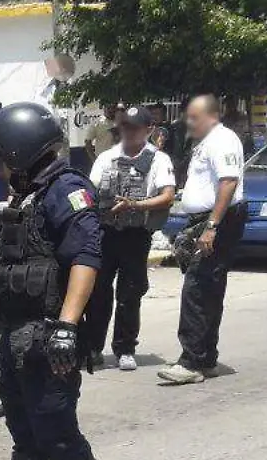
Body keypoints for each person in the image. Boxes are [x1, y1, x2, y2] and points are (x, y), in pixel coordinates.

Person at [0, 102, 126, 460]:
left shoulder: (67, 190)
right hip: (17, 334)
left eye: (1, 156)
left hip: (48, 333)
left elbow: (86, 259)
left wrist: (68, 327)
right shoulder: (27, 194)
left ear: (20, 149)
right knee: (26, 430)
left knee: (55, 429)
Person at [158, 95, 246, 385]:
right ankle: (205, 355)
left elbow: (228, 182)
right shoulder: (206, 142)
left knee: (197, 286)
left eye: (193, 117)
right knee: (207, 287)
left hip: (218, 219)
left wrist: (211, 226)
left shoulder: (223, 140)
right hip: (206, 218)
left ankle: (192, 361)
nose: (188, 123)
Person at [86, 106, 176, 371]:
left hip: (136, 234)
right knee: (98, 292)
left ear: (149, 130)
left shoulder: (159, 160)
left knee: (130, 293)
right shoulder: (106, 157)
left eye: (135, 128)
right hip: (106, 233)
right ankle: (92, 348)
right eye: (125, 127)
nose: (129, 132)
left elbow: (168, 195)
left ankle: (125, 348)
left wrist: (135, 205)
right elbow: (90, 192)